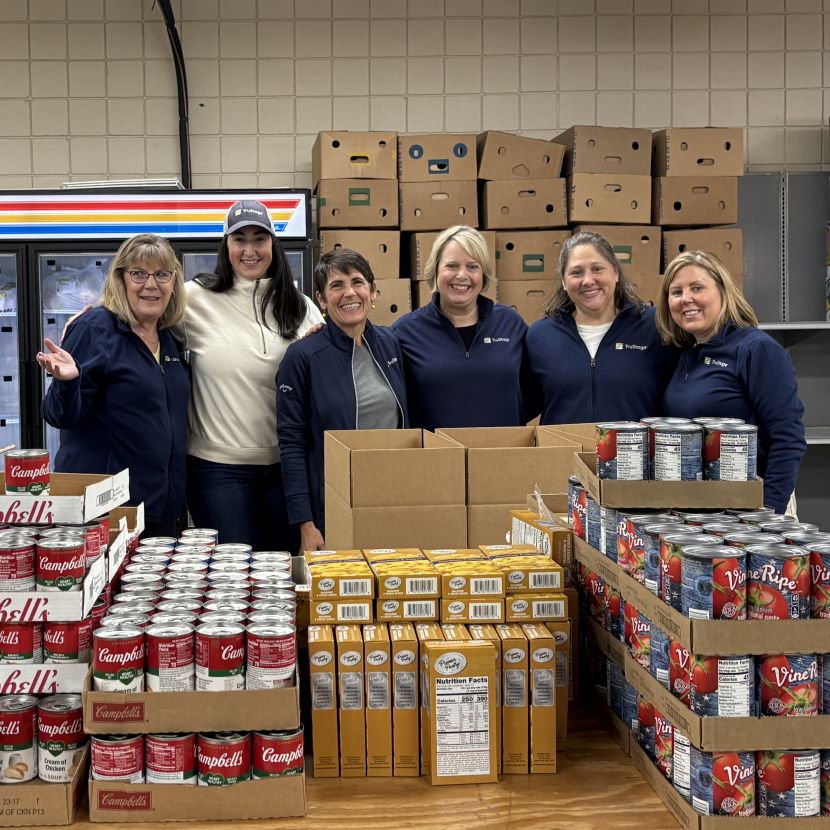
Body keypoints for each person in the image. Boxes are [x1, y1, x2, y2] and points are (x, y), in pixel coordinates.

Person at [178, 200, 323, 550]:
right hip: (217, 471)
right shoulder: (194, 298)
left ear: (273, 245)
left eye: (259, 239)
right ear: (225, 246)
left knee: (282, 579)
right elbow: (140, 313)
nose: (249, 250)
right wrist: (89, 324)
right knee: (234, 581)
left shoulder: (300, 306)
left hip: (286, 469)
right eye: (239, 239)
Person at [37, 234, 189, 538]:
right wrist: (67, 383)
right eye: (139, 274)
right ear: (121, 279)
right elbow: (59, 415)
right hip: (107, 511)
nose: (151, 284)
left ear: (173, 283)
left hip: (160, 508)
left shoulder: (170, 338)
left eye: (162, 274)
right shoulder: (95, 329)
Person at [277, 248, 407, 552]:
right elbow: (292, 444)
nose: (349, 293)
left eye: (358, 282)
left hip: (390, 501)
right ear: (321, 299)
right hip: (330, 509)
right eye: (337, 286)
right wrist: (305, 525)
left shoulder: (391, 346)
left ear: (373, 291)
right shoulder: (303, 357)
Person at [656, 250, 806, 514]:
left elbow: (788, 438)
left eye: (697, 288)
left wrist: (768, 512)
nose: (686, 299)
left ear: (723, 291)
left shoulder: (756, 350)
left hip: (754, 507)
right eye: (676, 292)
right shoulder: (686, 353)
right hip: (703, 507)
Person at [526, 231, 679, 424]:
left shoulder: (656, 326)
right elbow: (521, 403)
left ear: (615, 272)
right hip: (563, 452)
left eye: (597, 269)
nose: (588, 281)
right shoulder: (540, 336)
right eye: (576, 272)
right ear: (564, 282)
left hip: (634, 452)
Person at [392, 225, 532, 431]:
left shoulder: (511, 324)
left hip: (503, 456)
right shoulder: (405, 332)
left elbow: (534, 392)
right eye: (451, 266)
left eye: (472, 267)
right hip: (436, 458)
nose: (461, 275)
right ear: (435, 271)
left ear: (483, 274)